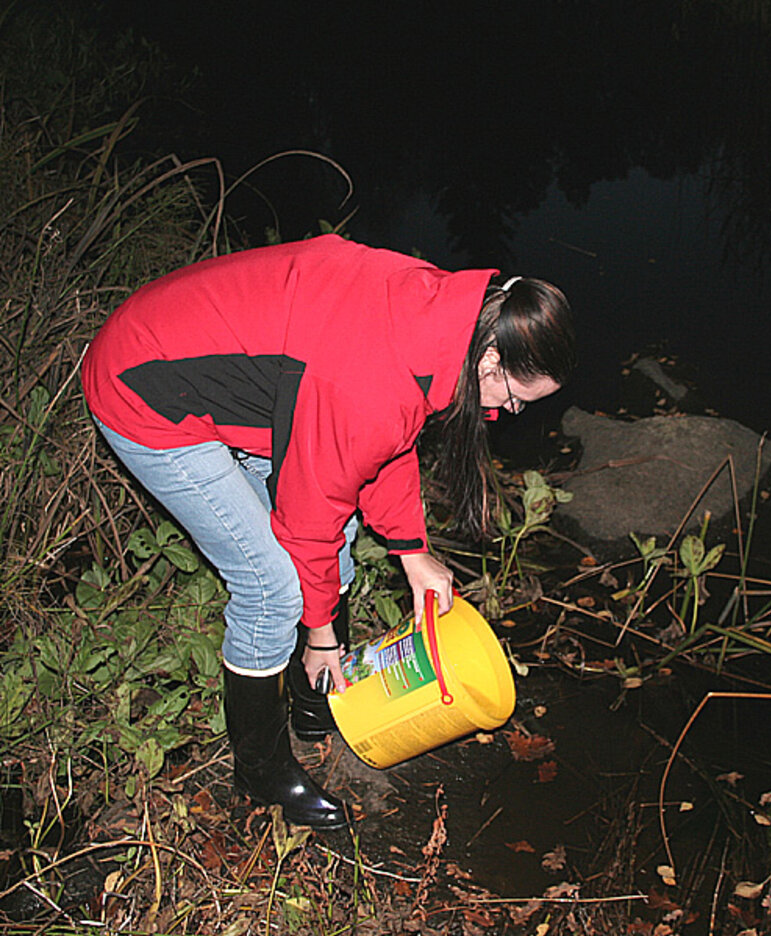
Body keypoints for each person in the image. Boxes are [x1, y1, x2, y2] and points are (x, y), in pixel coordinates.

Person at [81, 234, 574, 829]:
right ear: (491, 362)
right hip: (148, 389)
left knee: (333, 549)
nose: (504, 416)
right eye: (515, 401)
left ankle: (314, 703)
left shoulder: (442, 318)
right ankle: (260, 771)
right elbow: (311, 512)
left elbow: (383, 443)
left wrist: (410, 549)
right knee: (272, 588)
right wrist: (319, 632)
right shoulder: (369, 380)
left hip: (245, 377)